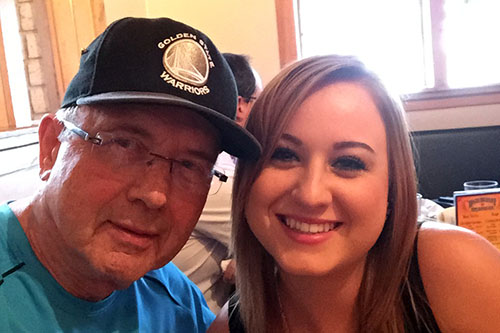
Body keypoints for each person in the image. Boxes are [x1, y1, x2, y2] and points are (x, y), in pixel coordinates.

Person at [0, 17, 261, 332]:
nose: (155, 194)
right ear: (52, 146)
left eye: (190, 165)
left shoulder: (171, 297)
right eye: (124, 145)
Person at [208, 55, 500, 332]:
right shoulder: (230, 326)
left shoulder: (454, 269)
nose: (311, 195)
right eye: (283, 154)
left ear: (392, 188)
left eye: (348, 162)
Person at [172, 52, 263, 312]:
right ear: (240, 105)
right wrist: (250, 260)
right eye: (262, 101)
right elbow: (279, 252)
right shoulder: (214, 179)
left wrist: (243, 260)